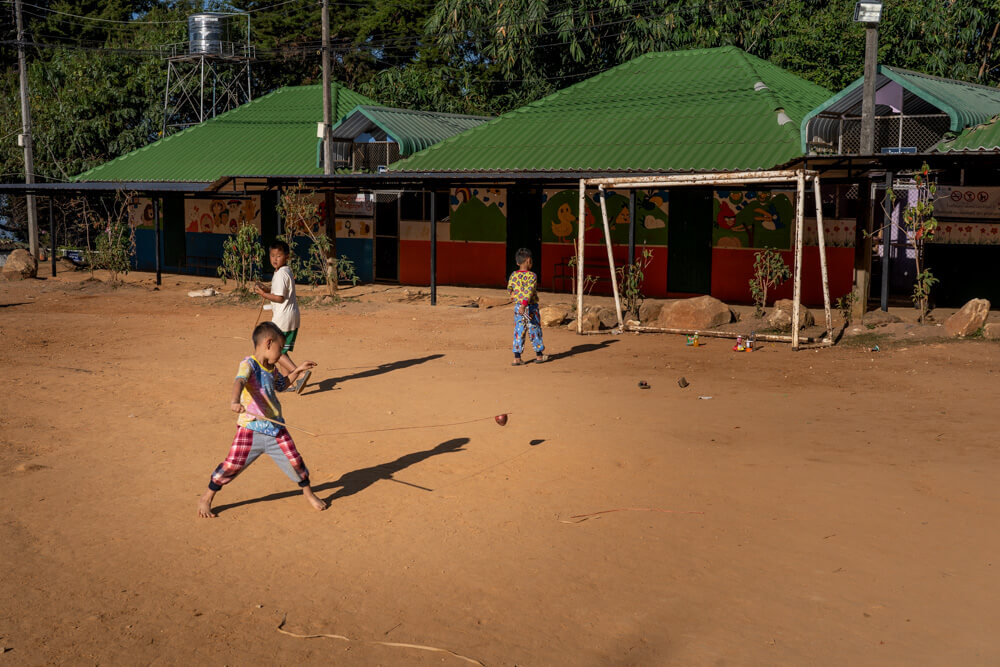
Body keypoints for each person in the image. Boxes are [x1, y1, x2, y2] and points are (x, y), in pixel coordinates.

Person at [198, 322, 325, 518]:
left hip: (276, 429)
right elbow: (239, 381)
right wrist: (234, 401)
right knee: (232, 465)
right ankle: (206, 498)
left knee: (295, 462)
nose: (281, 355)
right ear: (268, 343)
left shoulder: (271, 368)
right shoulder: (248, 364)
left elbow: (282, 385)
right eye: (280, 349)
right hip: (250, 429)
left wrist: (298, 370)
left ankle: (309, 494)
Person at [254, 240, 310, 393]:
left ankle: (300, 373)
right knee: (281, 350)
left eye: (278, 256)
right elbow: (279, 290)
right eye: (272, 255)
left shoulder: (280, 274)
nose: (274, 259)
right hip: (291, 316)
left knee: (275, 352)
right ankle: (288, 383)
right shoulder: (286, 271)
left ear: (286, 256)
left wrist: (263, 294)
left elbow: (279, 297)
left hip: (283, 318)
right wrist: (267, 289)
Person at [507, 248, 549, 366]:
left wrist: (515, 298)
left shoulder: (513, 275)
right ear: (529, 261)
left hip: (518, 308)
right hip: (531, 308)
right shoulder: (532, 276)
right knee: (534, 329)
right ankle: (539, 355)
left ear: (517, 262)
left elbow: (510, 289)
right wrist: (524, 305)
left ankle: (517, 358)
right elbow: (529, 292)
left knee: (519, 330)